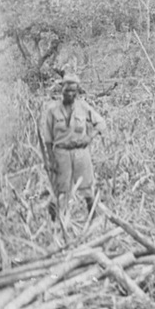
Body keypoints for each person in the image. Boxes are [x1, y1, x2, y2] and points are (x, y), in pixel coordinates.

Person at [41, 74, 107, 219]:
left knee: (88, 187)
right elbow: (47, 138)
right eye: (67, 90)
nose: (69, 94)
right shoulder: (52, 110)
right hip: (61, 153)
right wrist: (50, 160)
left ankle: (93, 220)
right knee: (60, 189)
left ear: (77, 92)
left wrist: (89, 137)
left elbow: (101, 123)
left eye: (73, 91)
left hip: (80, 153)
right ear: (61, 89)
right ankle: (55, 223)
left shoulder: (83, 107)